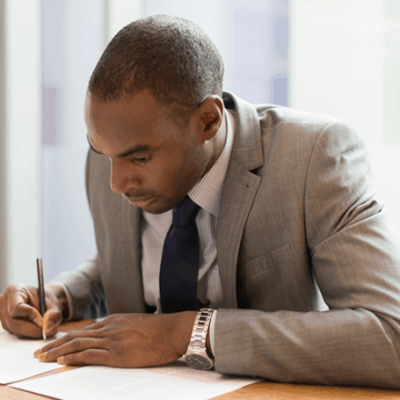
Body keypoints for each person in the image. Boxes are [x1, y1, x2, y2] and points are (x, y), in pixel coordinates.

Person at [1, 14, 400, 389]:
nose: (117, 183)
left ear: (208, 119)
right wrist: (64, 296)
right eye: (103, 153)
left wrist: (186, 333)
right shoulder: (114, 152)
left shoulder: (315, 157)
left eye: (140, 158)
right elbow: (131, 264)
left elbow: (390, 334)